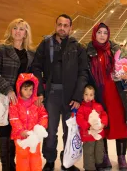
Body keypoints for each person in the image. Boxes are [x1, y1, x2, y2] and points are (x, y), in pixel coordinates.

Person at [32, 14, 88, 171]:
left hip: (71, 97)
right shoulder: (45, 44)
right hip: (51, 94)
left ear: (70, 28)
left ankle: (67, 160)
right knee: (50, 130)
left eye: (66, 25)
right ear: (55, 25)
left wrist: (78, 96)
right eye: (60, 24)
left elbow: (83, 73)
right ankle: (49, 160)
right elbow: (36, 67)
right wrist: (40, 91)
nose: (62, 28)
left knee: (69, 130)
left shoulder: (78, 47)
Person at [0, 18, 35, 171]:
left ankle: (17, 163)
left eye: (21, 29)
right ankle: (7, 166)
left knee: (18, 131)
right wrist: (8, 89)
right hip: (4, 97)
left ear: (26, 32)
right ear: (10, 30)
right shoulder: (2, 48)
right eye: (15, 28)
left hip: (23, 100)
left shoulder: (31, 53)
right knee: (5, 131)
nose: (18, 31)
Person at [86, 22, 127, 170]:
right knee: (101, 126)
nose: (102, 35)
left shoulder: (116, 50)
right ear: (94, 33)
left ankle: (121, 157)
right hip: (99, 96)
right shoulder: (88, 52)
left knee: (120, 125)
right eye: (99, 32)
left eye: (105, 33)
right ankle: (104, 156)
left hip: (116, 94)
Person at [9, 73, 48, 171]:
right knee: (22, 158)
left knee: (35, 157)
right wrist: (21, 131)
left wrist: (40, 128)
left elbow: (43, 115)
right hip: (20, 137)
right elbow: (14, 119)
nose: (28, 92)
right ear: (19, 89)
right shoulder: (15, 104)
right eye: (25, 89)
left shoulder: (36, 102)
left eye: (31, 89)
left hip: (34, 136)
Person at [76, 85, 108, 171]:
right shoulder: (81, 108)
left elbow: (104, 115)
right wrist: (88, 126)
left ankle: (99, 164)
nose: (88, 97)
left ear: (94, 96)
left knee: (99, 150)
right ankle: (89, 168)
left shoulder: (98, 106)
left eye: (91, 95)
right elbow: (79, 119)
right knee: (88, 152)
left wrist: (103, 123)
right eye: (86, 94)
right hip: (88, 135)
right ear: (82, 95)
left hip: (98, 134)